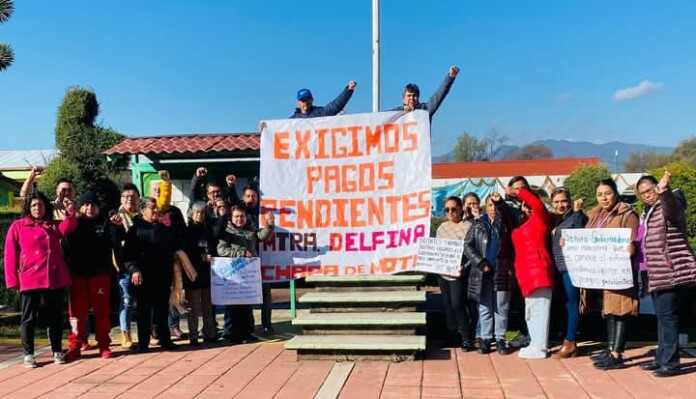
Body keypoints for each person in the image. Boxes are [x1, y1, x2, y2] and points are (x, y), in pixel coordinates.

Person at [4, 192, 76, 367]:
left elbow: (68, 227)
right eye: (34, 205)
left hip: (53, 277)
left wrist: (70, 212)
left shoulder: (52, 225)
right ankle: (28, 353)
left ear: (46, 207)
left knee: (55, 317)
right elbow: (10, 254)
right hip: (29, 277)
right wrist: (12, 280)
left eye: (41, 205)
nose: (38, 208)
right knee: (28, 318)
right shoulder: (18, 226)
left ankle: (57, 350)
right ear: (28, 207)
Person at [636, 172, 696, 377]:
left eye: (649, 190)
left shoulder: (670, 205)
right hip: (657, 273)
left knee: (668, 318)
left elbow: (670, 207)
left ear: (657, 188)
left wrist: (665, 190)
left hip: (671, 271)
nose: (646, 195)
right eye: (642, 193)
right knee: (662, 318)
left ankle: (671, 364)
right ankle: (661, 358)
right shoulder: (649, 212)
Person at [585, 179, 639, 370]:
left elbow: (633, 239)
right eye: (600, 194)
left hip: (620, 270)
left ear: (615, 193)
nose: (604, 198)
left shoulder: (627, 214)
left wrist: (631, 247)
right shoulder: (594, 215)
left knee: (621, 309)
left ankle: (617, 354)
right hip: (601, 272)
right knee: (609, 311)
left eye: (607, 193)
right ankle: (610, 349)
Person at [64, 191, 125, 360]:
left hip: (100, 276)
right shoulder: (74, 223)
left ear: (98, 207)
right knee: (76, 314)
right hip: (77, 276)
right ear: (81, 207)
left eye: (93, 204)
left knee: (102, 313)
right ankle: (75, 345)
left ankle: (104, 344)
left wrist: (118, 225)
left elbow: (120, 237)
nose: (90, 207)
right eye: (86, 204)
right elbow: (62, 240)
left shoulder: (106, 223)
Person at [122, 197, 179, 353]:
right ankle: (143, 343)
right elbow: (127, 255)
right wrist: (134, 270)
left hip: (163, 276)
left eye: (156, 208)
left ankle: (165, 341)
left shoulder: (164, 229)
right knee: (144, 312)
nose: (155, 211)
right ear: (142, 211)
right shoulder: (135, 231)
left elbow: (172, 250)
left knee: (162, 310)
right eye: (151, 208)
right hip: (143, 278)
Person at [463, 192, 515, 355]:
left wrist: (501, 203)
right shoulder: (478, 224)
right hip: (482, 273)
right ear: (486, 207)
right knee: (485, 306)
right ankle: (485, 338)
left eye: (495, 205)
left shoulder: (506, 222)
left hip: (502, 270)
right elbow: (467, 246)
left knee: (501, 306)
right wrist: (481, 262)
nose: (493, 208)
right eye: (490, 205)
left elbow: (507, 213)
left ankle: (500, 338)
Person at [217, 206, 275, 344]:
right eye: (236, 216)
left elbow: (261, 237)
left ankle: (248, 332)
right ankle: (234, 333)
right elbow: (221, 250)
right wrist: (241, 253)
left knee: (247, 305)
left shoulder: (251, 229)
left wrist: (269, 226)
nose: (239, 219)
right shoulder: (226, 231)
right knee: (234, 306)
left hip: (249, 273)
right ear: (231, 218)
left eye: (241, 216)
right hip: (234, 274)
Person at [510, 187, 554, 359]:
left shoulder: (541, 219)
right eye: (523, 205)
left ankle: (540, 347)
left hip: (538, 271)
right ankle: (535, 342)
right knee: (530, 311)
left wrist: (519, 192)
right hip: (526, 273)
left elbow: (538, 205)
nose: (527, 208)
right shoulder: (525, 222)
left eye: (529, 205)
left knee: (539, 311)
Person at [549, 187, 587, 359]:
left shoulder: (576, 216)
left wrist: (578, 212)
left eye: (564, 201)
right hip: (557, 269)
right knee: (563, 306)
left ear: (570, 201)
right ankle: (568, 340)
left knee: (572, 304)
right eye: (556, 202)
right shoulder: (556, 220)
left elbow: (580, 233)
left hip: (571, 268)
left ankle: (570, 342)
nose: (561, 205)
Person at [435, 195, 475, 351]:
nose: (450, 212)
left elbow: (473, 251)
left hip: (459, 272)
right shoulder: (441, 227)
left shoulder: (468, 226)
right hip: (442, 273)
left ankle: (466, 337)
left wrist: (465, 267)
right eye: (447, 209)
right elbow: (436, 249)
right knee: (447, 305)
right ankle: (452, 336)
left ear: (460, 209)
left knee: (458, 304)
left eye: (453, 208)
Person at [183, 202, 218, 345]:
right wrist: (201, 258)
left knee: (208, 306)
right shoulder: (187, 231)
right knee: (193, 307)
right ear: (191, 214)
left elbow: (213, 248)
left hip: (207, 273)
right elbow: (185, 253)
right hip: (192, 274)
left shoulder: (208, 230)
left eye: (202, 213)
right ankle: (193, 334)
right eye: (197, 212)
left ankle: (209, 332)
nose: (200, 215)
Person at [114, 183, 140, 348]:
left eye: (133, 196)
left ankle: (152, 331)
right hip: (123, 267)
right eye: (126, 196)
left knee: (145, 301)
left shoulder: (143, 217)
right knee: (126, 301)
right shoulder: (116, 218)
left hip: (143, 266)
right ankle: (126, 334)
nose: (129, 199)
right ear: (121, 199)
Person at [392, 66, 459, 121]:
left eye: (414, 95)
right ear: (403, 99)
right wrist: (403, 111)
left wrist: (450, 77)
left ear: (418, 97)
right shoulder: (395, 113)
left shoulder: (425, 110)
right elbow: (382, 118)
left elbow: (439, 94)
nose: (411, 98)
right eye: (409, 96)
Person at [290, 81, 357, 119]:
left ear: (312, 100)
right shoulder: (292, 121)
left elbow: (335, 105)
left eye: (308, 99)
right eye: (303, 100)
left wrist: (348, 90)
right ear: (298, 102)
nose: (306, 102)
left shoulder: (321, 113)